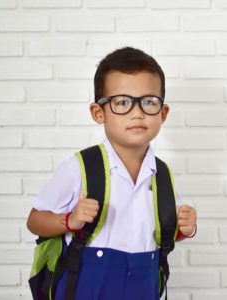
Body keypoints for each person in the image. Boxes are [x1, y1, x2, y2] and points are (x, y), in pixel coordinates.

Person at [27, 47, 197, 300]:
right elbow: (34, 221)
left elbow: (164, 232)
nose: (137, 112)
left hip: (144, 283)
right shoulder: (79, 168)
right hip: (86, 284)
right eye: (122, 102)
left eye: (149, 101)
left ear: (163, 113)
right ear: (99, 113)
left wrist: (185, 228)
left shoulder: (162, 174)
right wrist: (69, 221)